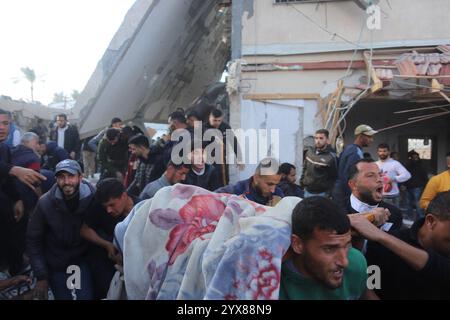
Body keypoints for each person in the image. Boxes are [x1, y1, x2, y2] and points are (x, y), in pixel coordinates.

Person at [351, 190, 450, 299]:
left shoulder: (384, 240)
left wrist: (381, 236)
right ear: (431, 221)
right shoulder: (383, 246)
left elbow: (437, 267)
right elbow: (368, 286)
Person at [26, 160, 95, 300]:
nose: (66, 181)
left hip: (81, 260)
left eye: (71, 176)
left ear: (80, 178)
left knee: (85, 296)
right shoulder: (45, 203)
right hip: (56, 262)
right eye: (61, 177)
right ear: (56, 179)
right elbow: (33, 239)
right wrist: (41, 276)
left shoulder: (93, 198)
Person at [279, 196, 370, 300]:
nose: (344, 262)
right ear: (297, 244)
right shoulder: (270, 283)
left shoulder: (356, 263)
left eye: (347, 245)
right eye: (329, 249)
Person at [81, 178, 135, 299]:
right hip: (103, 264)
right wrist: (107, 245)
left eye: (112, 205)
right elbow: (85, 230)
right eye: (106, 207)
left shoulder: (141, 210)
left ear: (124, 196)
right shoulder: (99, 206)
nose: (108, 210)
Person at [346, 159, 403, 233]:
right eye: (370, 176)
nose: (379, 179)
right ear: (353, 185)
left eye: (380, 175)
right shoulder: (335, 212)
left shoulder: (394, 213)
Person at [333, 124, 377, 211]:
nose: (372, 140)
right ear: (361, 136)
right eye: (369, 137)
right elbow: (349, 176)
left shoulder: (350, 149)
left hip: (340, 192)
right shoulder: (355, 153)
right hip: (345, 194)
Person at [215, 157, 284, 207]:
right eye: (269, 184)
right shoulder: (235, 191)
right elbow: (208, 198)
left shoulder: (278, 194)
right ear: (256, 178)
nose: (273, 190)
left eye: (276, 184)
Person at [204, 108, 244, 186]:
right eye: (214, 120)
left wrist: (239, 158)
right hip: (208, 161)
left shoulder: (225, 127)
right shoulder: (204, 128)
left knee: (224, 181)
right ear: (210, 118)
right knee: (210, 182)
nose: (217, 123)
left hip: (222, 159)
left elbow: (234, 142)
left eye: (219, 121)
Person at [300, 129, 337, 198]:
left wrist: (329, 193)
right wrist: (302, 182)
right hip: (307, 191)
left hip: (322, 194)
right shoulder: (309, 152)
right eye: (316, 138)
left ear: (327, 140)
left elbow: (334, 177)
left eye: (321, 138)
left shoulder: (331, 157)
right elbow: (305, 168)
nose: (318, 141)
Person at [375, 143, 411, 208]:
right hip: (378, 195)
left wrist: (393, 178)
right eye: (380, 151)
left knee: (394, 216)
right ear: (377, 152)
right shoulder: (375, 164)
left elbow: (407, 175)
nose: (382, 153)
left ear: (388, 152)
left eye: (384, 151)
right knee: (380, 217)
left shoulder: (395, 163)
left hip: (393, 196)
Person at [404, 150, 428, 219]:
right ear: (411, 158)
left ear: (418, 157)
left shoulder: (421, 166)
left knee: (417, 203)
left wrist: (425, 185)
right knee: (409, 203)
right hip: (409, 187)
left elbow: (424, 176)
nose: (415, 159)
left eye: (416, 157)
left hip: (417, 187)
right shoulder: (408, 165)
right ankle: (410, 216)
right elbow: (405, 175)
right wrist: (404, 184)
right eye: (413, 157)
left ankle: (420, 217)